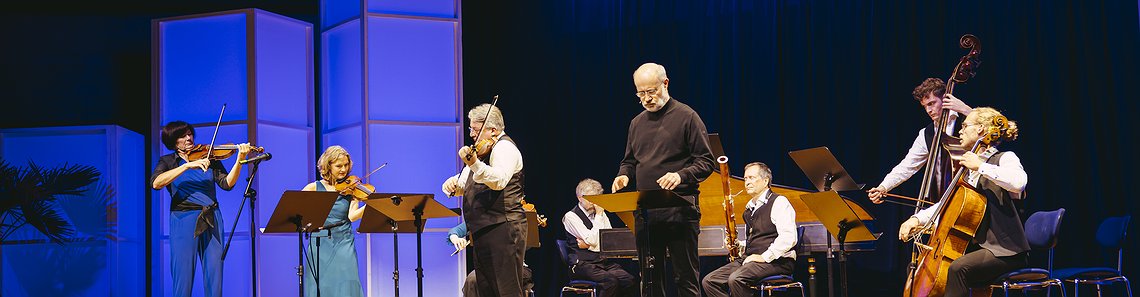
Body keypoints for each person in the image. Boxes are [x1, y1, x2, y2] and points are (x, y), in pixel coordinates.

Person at [898, 107, 1028, 296]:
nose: (960, 130)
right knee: (927, 268)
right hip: (979, 248)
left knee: (959, 268)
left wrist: (981, 166)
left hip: (1006, 251)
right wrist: (917, 219)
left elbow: (1019, 183)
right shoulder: (967, 170)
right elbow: (946, 204)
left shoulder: (1003, 158)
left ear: (981, 130)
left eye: (965, 126)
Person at [611, 62, 715, 297]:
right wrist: (623, 176)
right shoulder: (636, 123)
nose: (646, 98)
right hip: (646, 214)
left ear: (665, 83)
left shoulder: (687, 116)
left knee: (685, 280)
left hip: (680, 211)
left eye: (651, 91)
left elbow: (706, 162)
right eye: (641, 93)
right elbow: (629, 161)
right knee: (649, 281)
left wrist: (680, 175)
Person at [150, 120, 251, 297]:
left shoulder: (209, 157)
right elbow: (156, 183)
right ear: (173, 140)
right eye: (183, 135)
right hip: (183, 219)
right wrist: (187, 165)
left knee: (215, 274)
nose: (189, 137)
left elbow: (227, 184)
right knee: (183, 275)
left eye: (190, 134)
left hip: (212, 217)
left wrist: (240, 160)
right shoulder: (168, 161)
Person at [441, 103, 528, 297]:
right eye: (471, 128)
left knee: (506, 291)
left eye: (476, 129)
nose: (472, 134)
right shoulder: (482, 152)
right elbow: (466, 183)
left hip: (503, 229)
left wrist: (473, 164)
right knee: (487, 291)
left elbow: (498, 180)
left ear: (493, 130)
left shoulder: (505, 148)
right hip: (483, 232)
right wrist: (452, 184)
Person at [867, 78, 974, 203]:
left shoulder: (968, 120)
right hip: (941, 198)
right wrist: (883, 187)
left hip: (971, 192)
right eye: (925, 106)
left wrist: (966, 110)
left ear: (945, 99)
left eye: (932, 103)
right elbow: (907, 166)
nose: (928, 110)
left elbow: (996, 129)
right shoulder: (927, 134)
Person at [701, 162, 797, 297]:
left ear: (765, 181)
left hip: (778, 261)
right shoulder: (749, 209)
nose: (747, 182)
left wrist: (763, 257)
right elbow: (755, 240)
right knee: (709, 281)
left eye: (751, 178)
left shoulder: (779, 202)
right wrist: (739, 245)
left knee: (736, 279)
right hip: (752, 260)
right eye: (745, 178)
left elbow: (788, 238)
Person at [299, 145, 365, 297]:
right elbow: (295, 209)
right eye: (339, 166)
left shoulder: (352, 188)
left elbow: (352, 216)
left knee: (348, 283)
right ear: (328, 166)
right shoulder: (313, 187)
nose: (344, 169)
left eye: (346, 165)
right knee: (322, 285)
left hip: (344, 241)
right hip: (320, 243)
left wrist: (370, 206)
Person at [562, 179, 637, 297]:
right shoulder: (571, 216)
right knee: (610, 282)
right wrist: (598, 217)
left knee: (629, 280)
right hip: (582, 264)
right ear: (580, 198)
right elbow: (591, 239)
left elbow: (610, 241)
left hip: (602, 262)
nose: (594, 203)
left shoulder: (601, 214)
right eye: (591, 199)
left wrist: (590, 246)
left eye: (597, 198)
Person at [446, 223, 534, 296]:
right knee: (472, 279)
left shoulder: (513, 214)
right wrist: (455, 238)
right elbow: (455, 231)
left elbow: (527, 245)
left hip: (514, 266)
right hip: (488, 268)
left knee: (504, 281)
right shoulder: (479, 218)